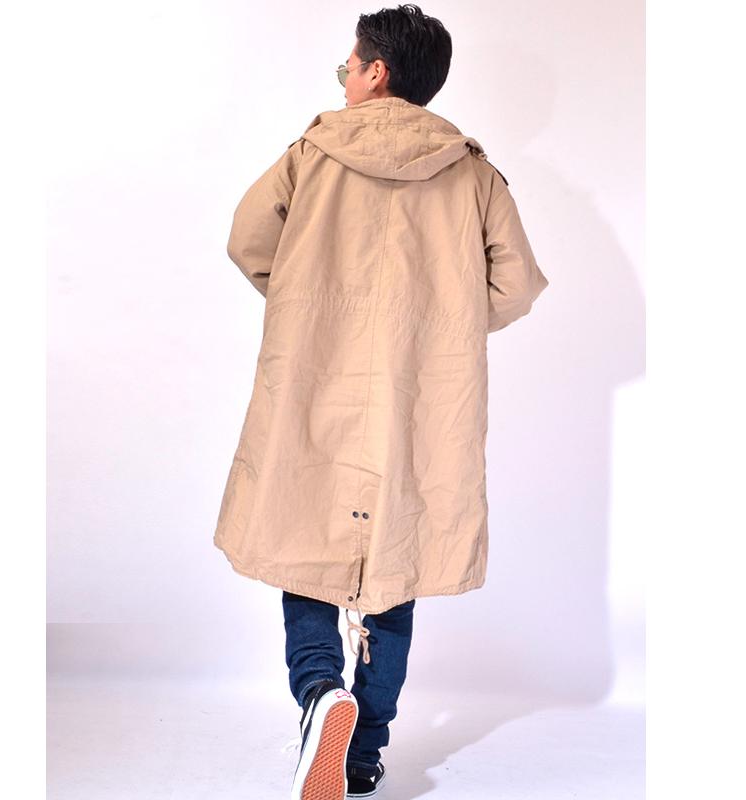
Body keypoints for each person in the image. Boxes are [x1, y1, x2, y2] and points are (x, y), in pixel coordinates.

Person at [213, 4, 549, 798]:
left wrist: (304, 303)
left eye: (348, 67)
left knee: (305, 534)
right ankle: (363, 751)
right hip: (420, 395)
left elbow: (246, 241)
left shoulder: (311, 154)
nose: (344, 80)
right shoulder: (473, 172)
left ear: (376, 72)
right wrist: (444, 326)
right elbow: (516, 285)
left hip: (316, 379)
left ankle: (319, 693)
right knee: (395, 561)